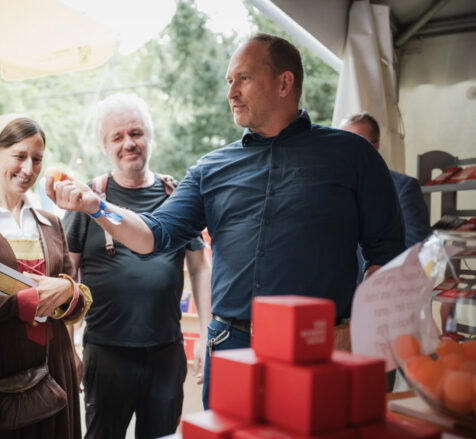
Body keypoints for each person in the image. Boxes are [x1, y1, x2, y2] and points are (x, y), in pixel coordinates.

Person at [45, 33, 406, 409]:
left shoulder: (352, 156)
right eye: (229, 81)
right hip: (231, 347)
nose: (231, 92)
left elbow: (388, 252)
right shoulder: (210, 168)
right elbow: (153, 235)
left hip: (317, 348)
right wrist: (95, 206)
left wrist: (357, 327)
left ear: (285, 82)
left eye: (244, 79)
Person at [62, 94, 211, 439]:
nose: (129, 143)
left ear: (149, 137)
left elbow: (200, 266)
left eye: (136, 133)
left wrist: (205, 333)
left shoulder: (177, 195)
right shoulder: (88, 199)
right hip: (106, 352)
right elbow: (67, 275)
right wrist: (68, 347)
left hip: (165, 352)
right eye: (118, 137)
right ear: (105, 146)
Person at [0, 114, 92, 438]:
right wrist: (19, 304)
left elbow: (77, 302)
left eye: (36, 159)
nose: (29, 169)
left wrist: (67, 292)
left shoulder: (51, 222)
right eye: (19, 156)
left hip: (57, 371)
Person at [340, 112, 431, 251]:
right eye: (343, 145)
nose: (348, 151)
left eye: (358, 144)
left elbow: (415, 248)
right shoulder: (333, 187)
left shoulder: (404, 188)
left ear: (375, 147)